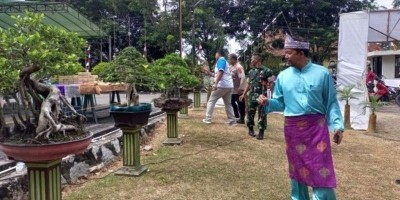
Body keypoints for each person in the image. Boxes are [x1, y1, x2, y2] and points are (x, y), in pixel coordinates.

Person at [257, 34, 344, 200]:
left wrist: (337, 126)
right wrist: (268, 102)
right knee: (297, 169)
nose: (285, 56)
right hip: (293, 130)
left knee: (321, 168)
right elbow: (280, 103)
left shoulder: (322, 74)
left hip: (316, 129)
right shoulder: (283, 76)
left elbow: (331, 102)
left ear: (301, 53)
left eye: (289, 52)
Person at [239, 53, 273, 140]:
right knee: (250, 113)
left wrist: (272, 95)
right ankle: (251, 130)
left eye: (252, 59)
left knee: (262, 114)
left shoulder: (267, 71)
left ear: (257, 60)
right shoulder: (250, 72)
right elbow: (249, 84)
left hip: (262, 96)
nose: (250, 61)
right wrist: (243, 94)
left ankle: (261, 132)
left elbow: (271, 83)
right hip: (252, 96)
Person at [202, 50, 236, 125]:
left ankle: (208, 119)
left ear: (218, 54)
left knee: (211, 100)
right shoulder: (225, 62)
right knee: (228, 104)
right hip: (229, 86)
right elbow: (218, 74)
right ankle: (232, 120)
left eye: (215, 54)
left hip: (222, 85)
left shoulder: (221, 60)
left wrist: (216, 83)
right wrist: (209, 73)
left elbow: (221, 72)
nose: (215, 56)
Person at [228, 53, 246, 124]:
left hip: (238, 89)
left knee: (240, 103)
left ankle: (242, 118)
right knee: (231, 102)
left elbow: (243, 77)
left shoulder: (238, 67)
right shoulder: (232, 67)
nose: (229, 60)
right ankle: (236, 115)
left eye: (230, 59)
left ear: (233, 59)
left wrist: (241, 87)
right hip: (233, 89)